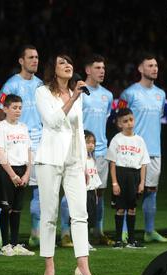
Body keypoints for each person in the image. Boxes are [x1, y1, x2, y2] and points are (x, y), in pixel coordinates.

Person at [35, 54, 101, 275]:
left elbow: (78, 130)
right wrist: (72, 98)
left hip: (74, 160)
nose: (68, 66)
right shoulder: (42, 92)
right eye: (62, 63)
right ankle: (49, 268)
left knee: (80, 214)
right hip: (50, 159)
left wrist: (84, 163)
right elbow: (53, 121)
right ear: (53, 70)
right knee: (50, 215)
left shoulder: (77, 94)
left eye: (69, 62)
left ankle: (83, 268)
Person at [60, 54, 114, 247]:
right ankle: (65, 233)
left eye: (103, 68)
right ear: (88, 70)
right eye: (98, 68)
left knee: (98, 193)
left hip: (100, 151)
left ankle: (97, 231)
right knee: (71, 192)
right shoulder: (78, 91)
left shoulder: (108, 95)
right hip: (78, 151)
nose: (102, 71)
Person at [0, 45, 45, 248]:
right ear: (21, 61)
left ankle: (35, 234)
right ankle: (3, 238)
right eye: (31, 57)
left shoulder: (41, 84)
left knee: (38, 189)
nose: (35, 60)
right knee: (8, 189)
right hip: (15, 141)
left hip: (37, 141)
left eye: (37, 57)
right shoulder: (11, 84)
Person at [117, 53, 167, 243]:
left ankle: (149, 231)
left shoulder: (161, 94)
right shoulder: (129, 94)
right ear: (140, 69)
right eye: (150, 65)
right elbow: (120, 119)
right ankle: (123, 231)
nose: (154, 68)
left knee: (151, 190)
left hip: (154, 150)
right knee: (128, 192)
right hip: (132, 151)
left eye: (156, 65)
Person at [0, 94, 34, 256]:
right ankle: (5, 245)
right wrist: (12, 175)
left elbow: (29, 151)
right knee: (6, 208)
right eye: (14, 108)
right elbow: (0, 153)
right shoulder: (1, 128)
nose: (18, 111)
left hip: (22, 171)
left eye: (20, 108)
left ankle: (16, 244)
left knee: (17, 209)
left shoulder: (23, 127)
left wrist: (27, 173)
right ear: (5, 109)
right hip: (7, 172)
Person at [106, 108, 150, 249]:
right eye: (125, 121)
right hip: (121, 174)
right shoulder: (116, 140)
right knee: (120, 208)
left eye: (131, 120)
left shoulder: (139, 140)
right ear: (119, 124)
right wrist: (114, 183)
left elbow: (143, 164)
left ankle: (131, 240)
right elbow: (112, 163)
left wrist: (142, 182)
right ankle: (118, 240)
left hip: (134, 175)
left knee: (132, 208)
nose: (129, 123)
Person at [84, 130, 103, 251]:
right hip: (83, 193)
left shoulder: (92, 159)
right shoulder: (81, 161)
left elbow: (95, 178)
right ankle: (83, 242)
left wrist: (96, 193)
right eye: (88, 142)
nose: (91, 145)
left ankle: (87, 241)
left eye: (93, 142)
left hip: (91, 193)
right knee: (83, 218)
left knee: (91, 218)